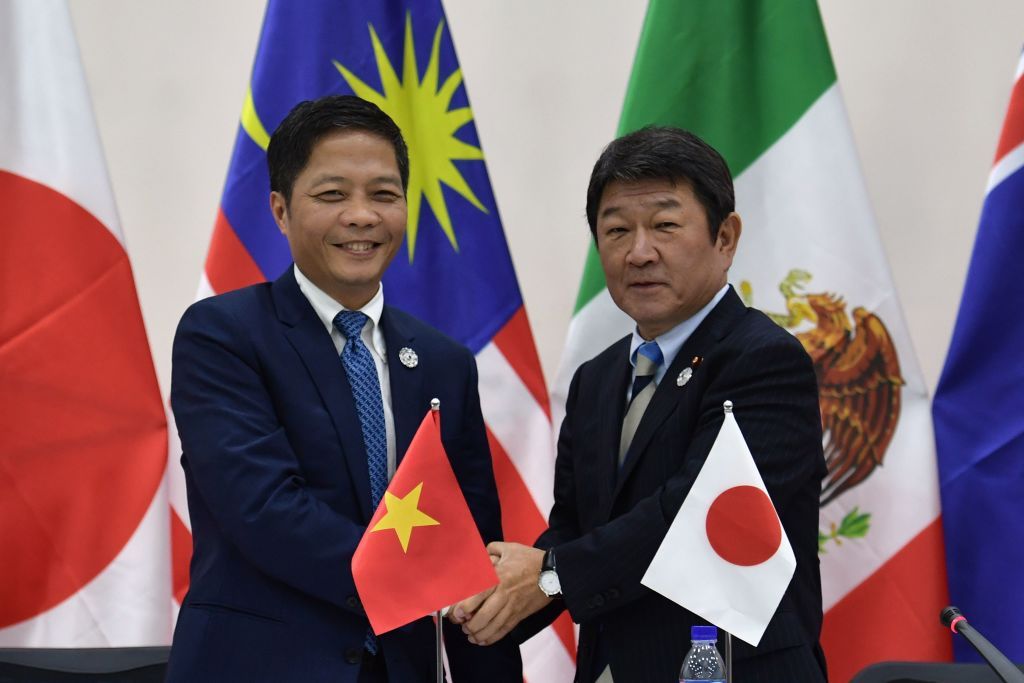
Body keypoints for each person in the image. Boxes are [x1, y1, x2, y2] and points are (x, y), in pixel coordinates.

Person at [452, 127, 828, 682]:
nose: (639, 252)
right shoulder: (596, 379)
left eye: (666, 226)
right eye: (616, 230)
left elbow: (692, 519)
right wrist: (486, 599)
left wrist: (549, 575)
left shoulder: (764, 361)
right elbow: (576, 530)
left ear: (725, 238)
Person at [166, 95, 522, 682]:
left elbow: (469, 540)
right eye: (332, 195)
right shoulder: (222, 334)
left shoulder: (444, 361)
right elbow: (265, 510)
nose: (362, 216)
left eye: (384, 194)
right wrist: (418, 578)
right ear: (280, 210)